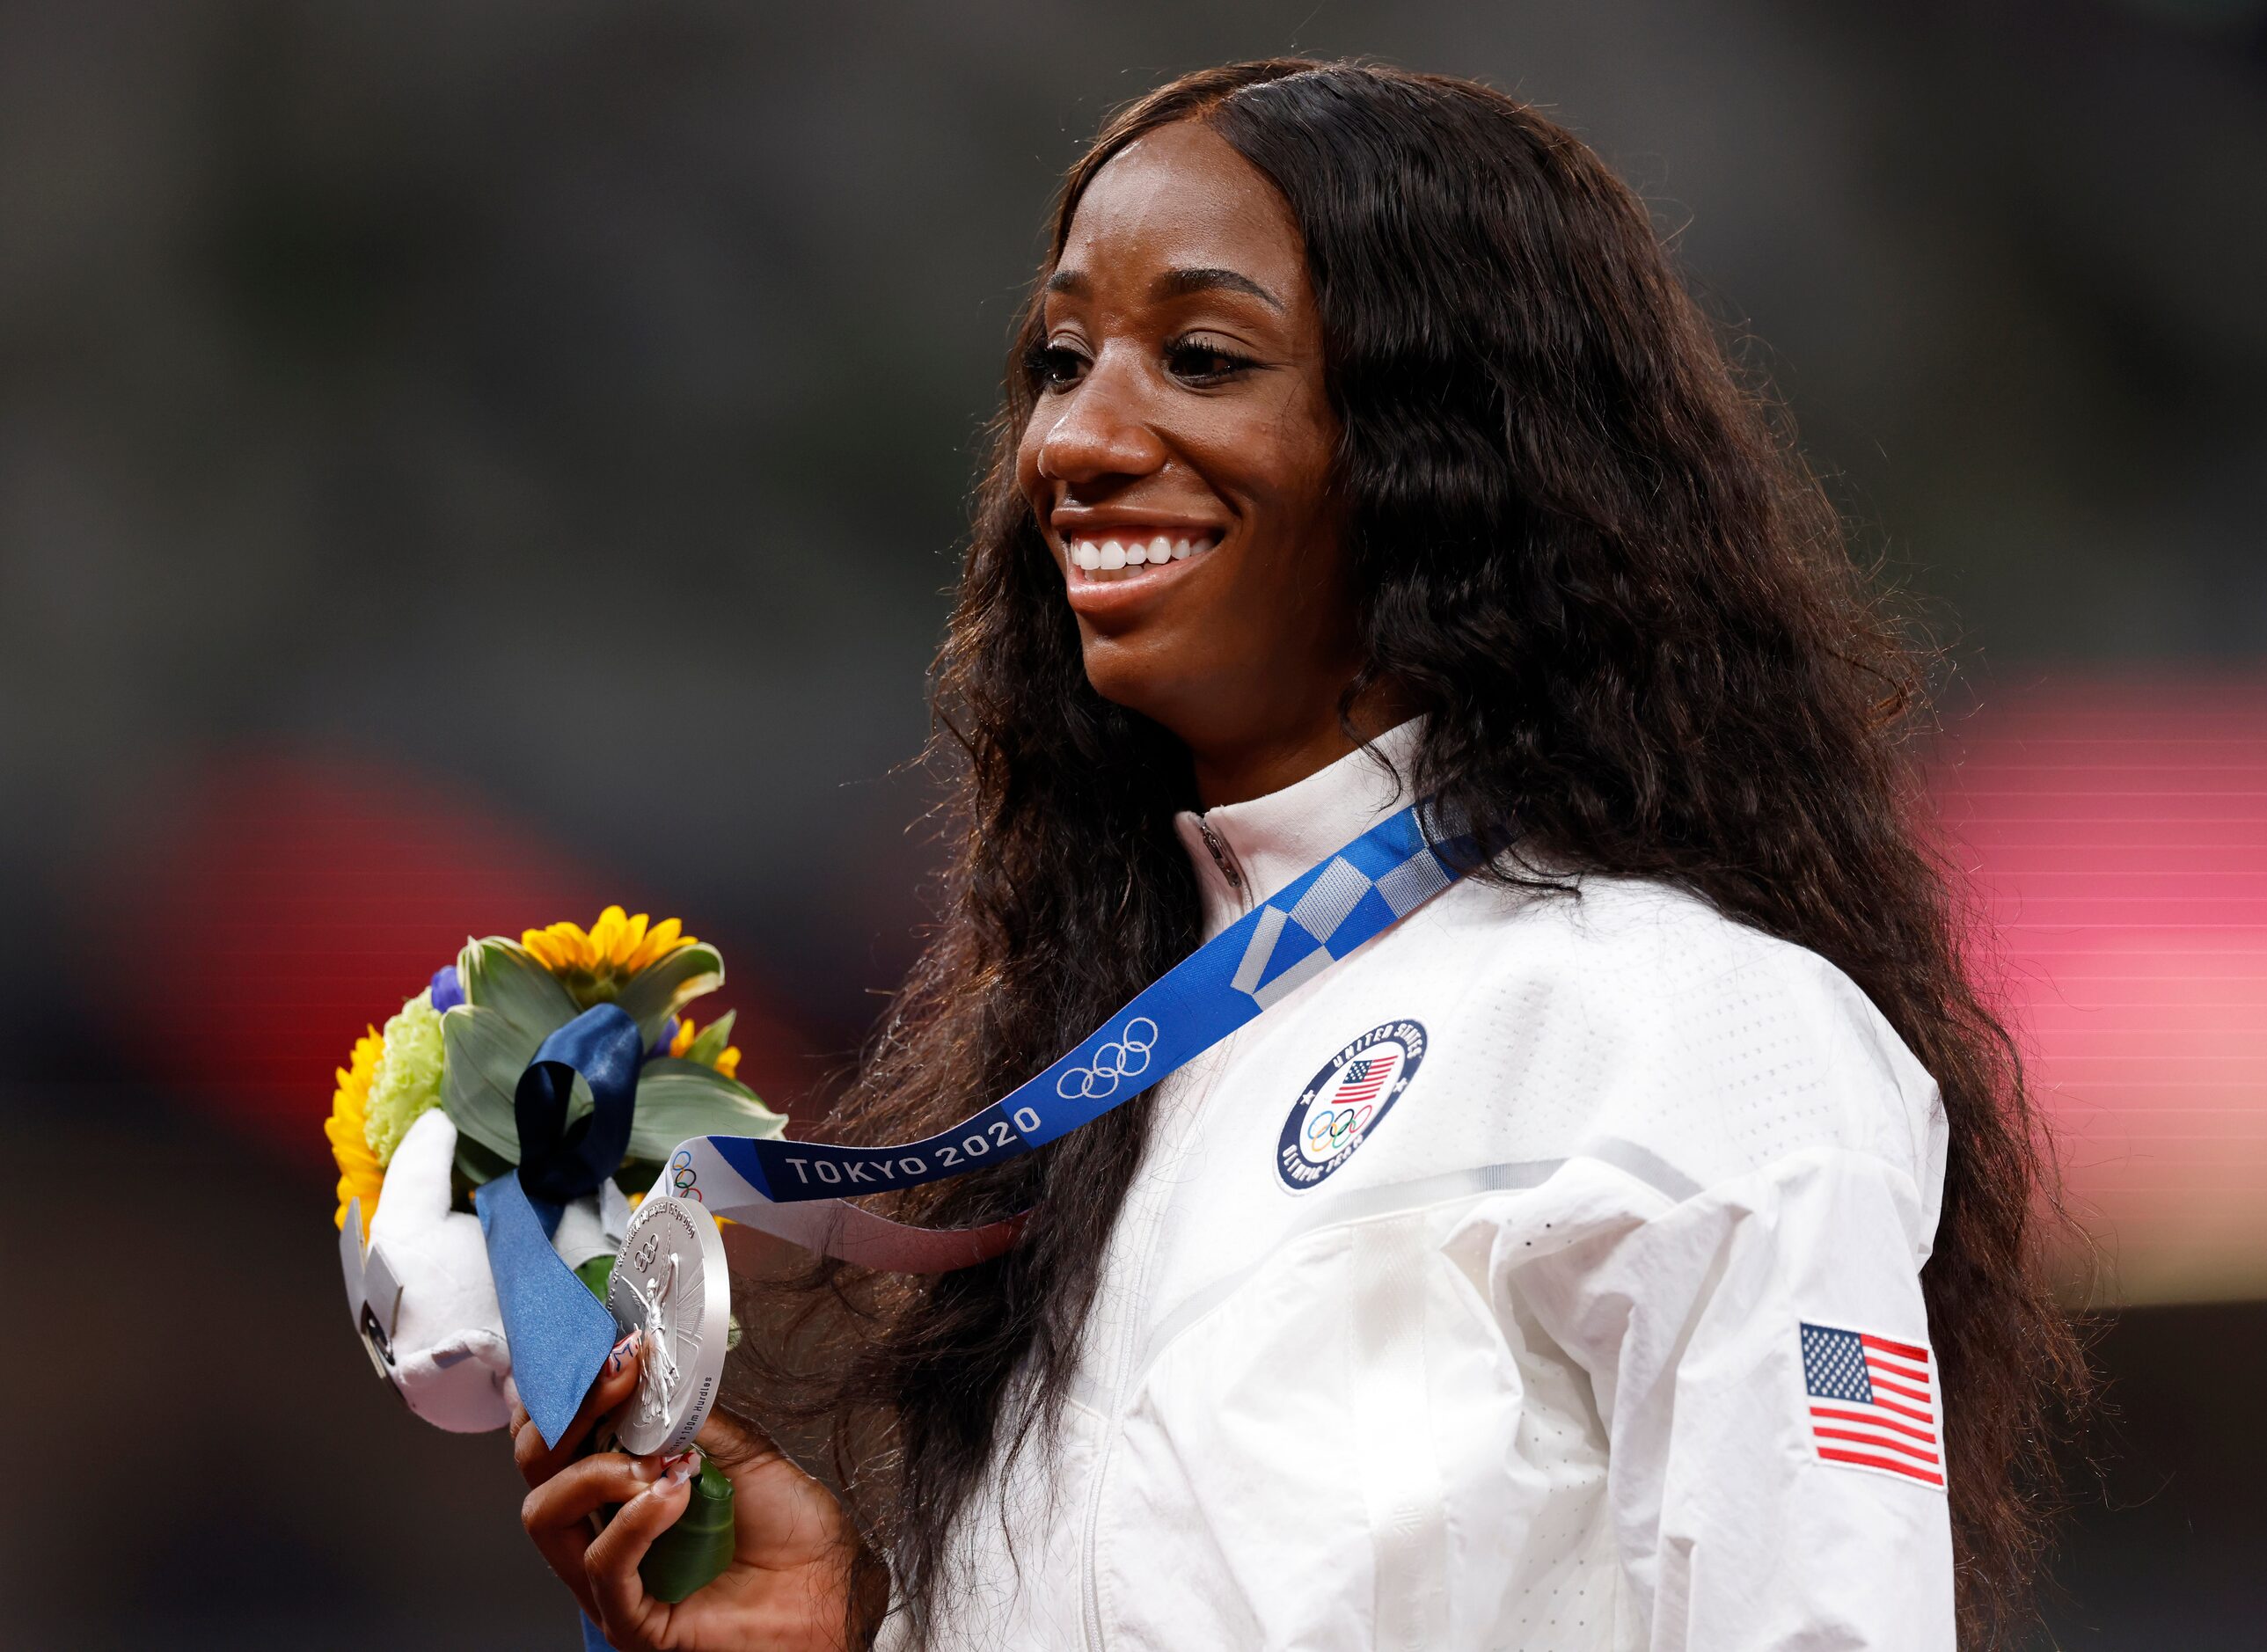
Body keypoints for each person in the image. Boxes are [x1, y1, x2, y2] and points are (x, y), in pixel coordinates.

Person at [509, 59, 2084, 1651]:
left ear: (1445, 445)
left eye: (1200, 357)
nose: (1079, 439)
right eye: (1063, 358)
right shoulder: (1096, 1086)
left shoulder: (1698, 1030)